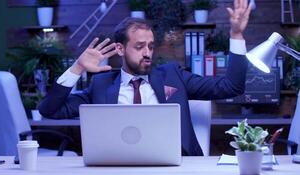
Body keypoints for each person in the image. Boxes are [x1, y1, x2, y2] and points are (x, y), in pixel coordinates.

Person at [39, 0, 252, 156]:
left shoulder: (173, 76)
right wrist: (77, 68)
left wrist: (236, 36)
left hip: (178, 169)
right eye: (139, 47)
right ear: (120, 49)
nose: (147, 52)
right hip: (118, 169)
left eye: (150, 46)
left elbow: (231, 86)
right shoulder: (102, 85)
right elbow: (50, 110)